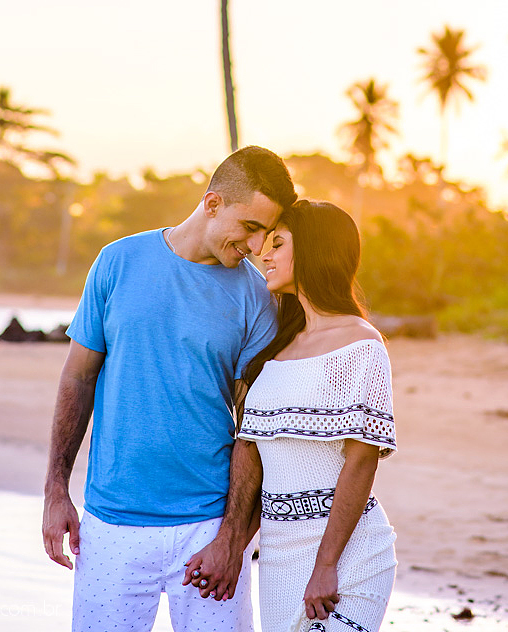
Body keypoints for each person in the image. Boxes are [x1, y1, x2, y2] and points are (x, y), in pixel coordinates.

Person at [41, 145, 297, 632]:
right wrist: (56, 489)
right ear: (213, 202)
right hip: (111, 523)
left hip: (207, 527)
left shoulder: (255, 297)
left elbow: (254, 426)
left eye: (267, 233)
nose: (258, 245)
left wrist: (233, 539)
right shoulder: (117, 262)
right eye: (250, 227)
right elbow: (78, 377)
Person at [185, 199, 397, 632]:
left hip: (347, 558)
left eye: (278, 243)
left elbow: (362, 460)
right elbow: (257, 461)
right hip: (278, 558)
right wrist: (232, 548)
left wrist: (325, 566)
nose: (265, 254)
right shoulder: (276, 350)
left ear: (315, 251)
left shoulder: (361, 344)